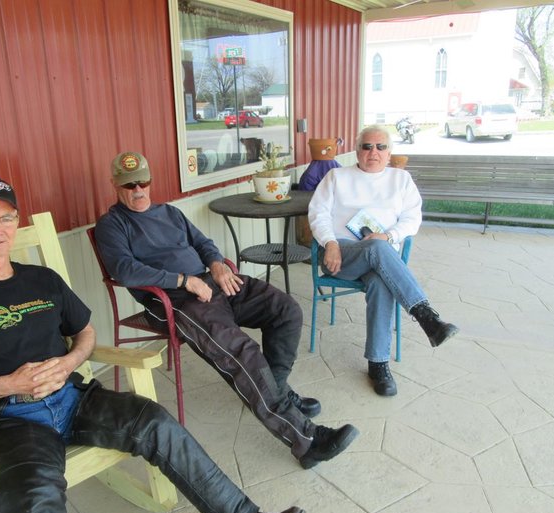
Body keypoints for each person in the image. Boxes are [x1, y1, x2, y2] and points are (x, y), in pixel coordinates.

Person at [0, 175, 305, 513]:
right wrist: (10, 382)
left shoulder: (42, 280)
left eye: (5, 218)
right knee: (31, 500)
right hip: (13, 418)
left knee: (155, 422)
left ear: (16, 222)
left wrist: (69, 361)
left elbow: (84, 331)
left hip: (75, 399)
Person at [94, 151, 359, 469]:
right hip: (176, 301)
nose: (138, 190)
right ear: (114, 185)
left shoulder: (170, 213)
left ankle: (275, 393)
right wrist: (184, 280)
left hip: (213, 283)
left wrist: (217, 265)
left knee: (286, 309)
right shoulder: (112, 225)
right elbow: (125, 270)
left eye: (143, 182)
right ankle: (307, 440)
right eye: (129, 184)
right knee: (243, 352)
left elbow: (203, 242)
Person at [308, 126, 459, 397]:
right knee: (377, 248)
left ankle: (378, 364)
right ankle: (425, 316)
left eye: (380, 147)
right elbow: (318, 214)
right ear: (357, 151)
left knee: (381, 280)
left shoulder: (401, 180)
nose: (373, 152)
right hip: (342, 255)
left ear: (389, 153)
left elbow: (412, 219)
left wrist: (390, 235)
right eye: (366, 146)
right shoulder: (336, 177)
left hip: (382, 256)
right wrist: (330, 243)